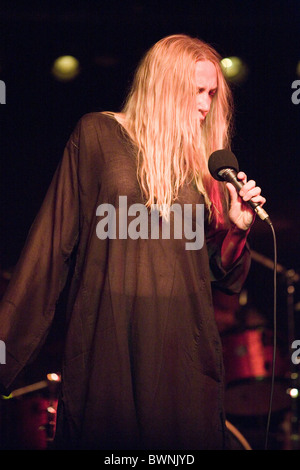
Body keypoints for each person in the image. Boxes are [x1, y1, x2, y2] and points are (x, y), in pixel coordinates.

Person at [0, 34, 266, 450]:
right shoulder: (97, 134)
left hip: (183, 348)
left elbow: (220, 272)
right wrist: (5, 351)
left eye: (212, 93)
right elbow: (49, 248)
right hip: (108, 340)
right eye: (196, 91)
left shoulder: (205, 162)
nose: (205, 104)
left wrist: (237, 226)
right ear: (164, 85)